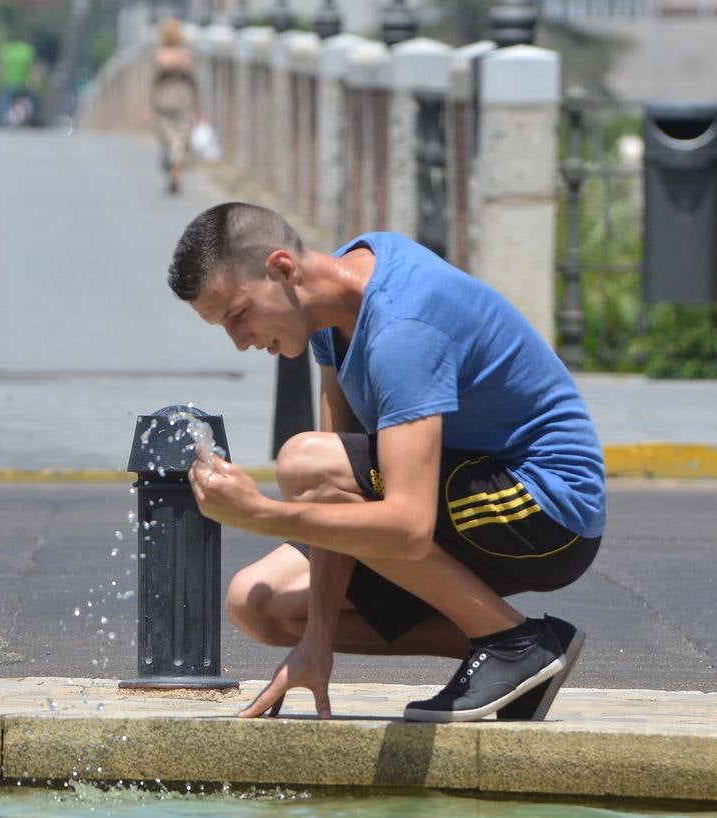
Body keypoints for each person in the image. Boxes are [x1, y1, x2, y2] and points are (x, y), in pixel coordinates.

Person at [167, 202, 606, 723]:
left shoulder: (403, 324)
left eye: (239, 315)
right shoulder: (333, 313)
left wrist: (262, 515)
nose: (240, 342)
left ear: (283, 270)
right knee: (259, 604)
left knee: (304, 461)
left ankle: (510, 643)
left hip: (546, 508)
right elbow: (332, 492)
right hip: (468, 489)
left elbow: (406, 527)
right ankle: (521, 646)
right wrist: (317, 643)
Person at [151, 18, 200, 194]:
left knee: (168, 135)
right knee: (181, 136)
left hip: (164, 98)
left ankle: (172, 163)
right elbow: (193, 80)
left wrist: (149, 103)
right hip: (183, 97)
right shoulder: (186, 54)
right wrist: (198, 106)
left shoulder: (160, 54)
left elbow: (156, 80)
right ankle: (176, 170)